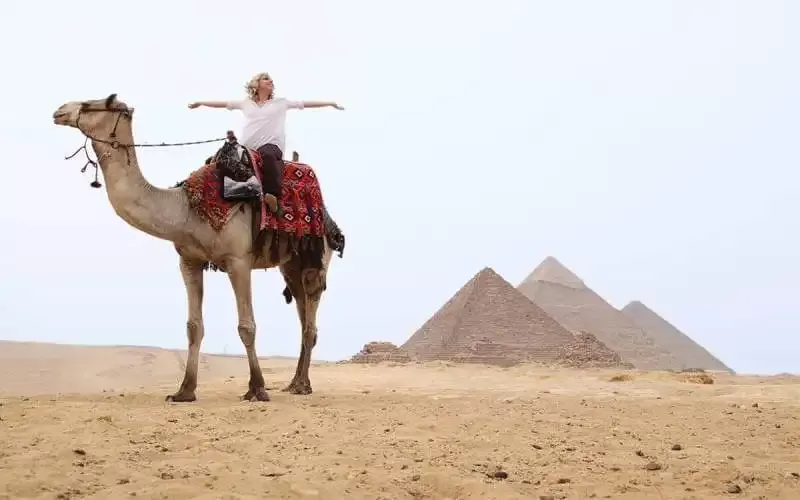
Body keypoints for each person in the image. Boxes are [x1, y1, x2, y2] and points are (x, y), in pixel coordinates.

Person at [188, 72, 344, 212]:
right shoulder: (246, 103)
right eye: (266, 79)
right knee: (222, 157)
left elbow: (305, 103)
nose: (270, 81)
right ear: (257, 84)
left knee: (267, 155)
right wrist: (201, 102)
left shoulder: (281, 102)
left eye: (271, 79)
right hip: (247, 146)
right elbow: (223, 103)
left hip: (271, 144)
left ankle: (272, 195)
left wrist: (330, 103)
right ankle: (233, 193)